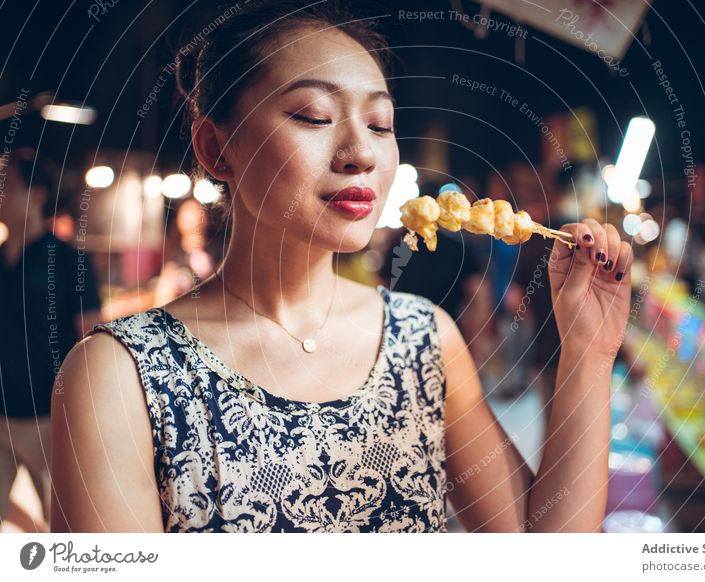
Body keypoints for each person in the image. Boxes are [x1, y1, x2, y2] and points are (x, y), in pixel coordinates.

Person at [50, 0, 633, 533]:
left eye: (381, 125)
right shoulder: (117, 375)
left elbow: (541, 554)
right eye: (312, 114)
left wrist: (588, 353)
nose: (362, 153)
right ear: (215, 148)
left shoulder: (423, 341)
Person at [0, 149, 102, 527]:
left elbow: (92, 339)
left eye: (6, 186)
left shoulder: (67, 260)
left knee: (65, 528)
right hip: (1, 414)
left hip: (50, 418)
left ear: (37, 194)